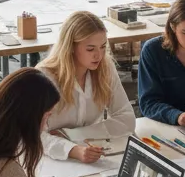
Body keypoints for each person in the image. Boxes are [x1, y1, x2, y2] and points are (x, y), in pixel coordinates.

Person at [36, 11, 136, 162]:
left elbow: (127, 119)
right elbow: (33, 136)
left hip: (91, 151)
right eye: (90, 49)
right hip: (49, 157)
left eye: (102, 47)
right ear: (70, 47)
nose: (99, 55)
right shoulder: (45, 77)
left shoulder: (105, 68)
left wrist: (73, 135)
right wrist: (73, 150)